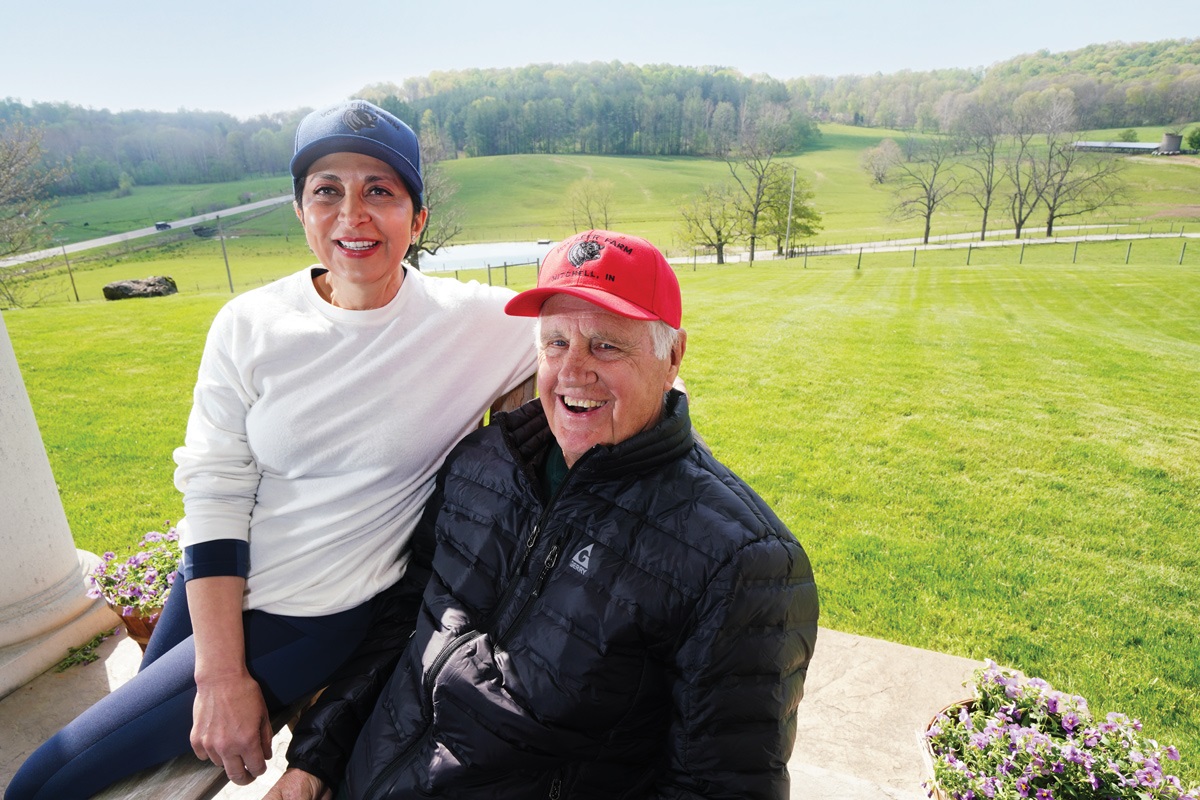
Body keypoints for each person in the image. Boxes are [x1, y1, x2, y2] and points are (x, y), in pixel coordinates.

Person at [5, 100, 538, 800]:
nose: (354, 214)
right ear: (300, 212)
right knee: (137, 764)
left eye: (381, 190)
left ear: (419, 218)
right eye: (328, 191)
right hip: (208, 586)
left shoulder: (470, 323)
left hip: (310, 613)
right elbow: (216, 484)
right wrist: (220, 676)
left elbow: (607, 329)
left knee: (45, 780)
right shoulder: (250, 323)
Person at [266, 229, 819, 800]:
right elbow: (405, 618)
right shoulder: (485, 462)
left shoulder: (741, 561)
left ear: (672, 354)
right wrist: (316, 760)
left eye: (606, 345)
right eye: (556, 344)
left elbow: (719, 786)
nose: (573, 372)